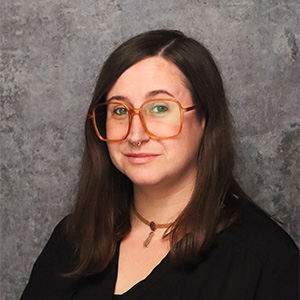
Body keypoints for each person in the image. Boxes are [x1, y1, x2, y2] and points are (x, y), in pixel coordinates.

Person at [21, 30, 299, 300]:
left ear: (205, 119)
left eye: (159, 108)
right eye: (120, 110)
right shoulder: (73, 238)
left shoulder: (264, 259)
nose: (135, 134)